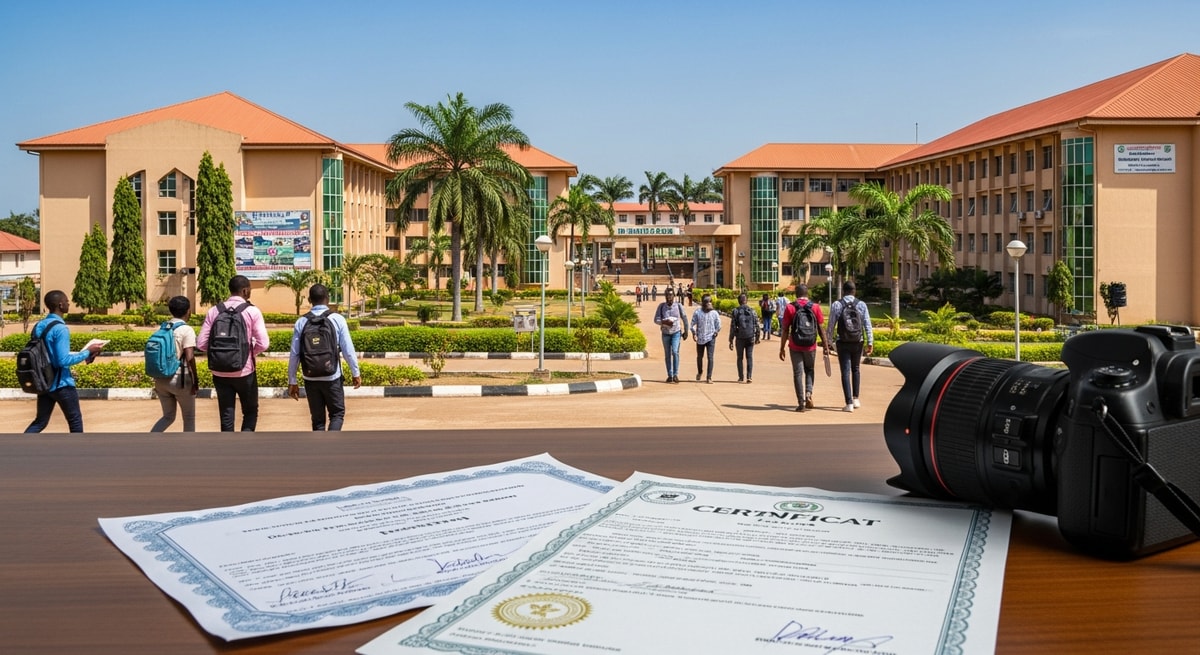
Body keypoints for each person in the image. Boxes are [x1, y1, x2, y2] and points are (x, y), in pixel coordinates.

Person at [23, 290, 105, 433]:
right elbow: (62, 361)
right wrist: (88, 351)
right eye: (67, 301)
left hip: (44, 382)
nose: (68, 303)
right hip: (61, 384)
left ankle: (19, 444)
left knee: (40, 422)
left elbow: (48, 354)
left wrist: (83, 354)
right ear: (60, 305)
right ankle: (77, 448)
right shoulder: (61, 329)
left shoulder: (39, 326)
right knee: (75, 421)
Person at [197, 275, 270, 431]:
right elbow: (263, 343)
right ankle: (245, 442)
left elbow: (201, 344)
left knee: (226, 414)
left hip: (219, 372)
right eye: (249, 289)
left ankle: (227, 444)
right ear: (245, 291)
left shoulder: (214, 311)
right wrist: (248, 353)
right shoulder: (252, 311)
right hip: (245, 371)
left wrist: (220, 354)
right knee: (250, 412)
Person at [287, 284, 362, 431]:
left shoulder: (301, 322)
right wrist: (355, 372)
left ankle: (319, 445)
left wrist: (292, 381)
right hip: (332, 376)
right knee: (337, 414)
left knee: (317, 420)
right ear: (327, 298)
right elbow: (348, 349)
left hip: (310, 378)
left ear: (309, 300)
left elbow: (295, 354)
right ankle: (332, 444)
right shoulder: (337, 319)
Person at [150, 296, 199, 432]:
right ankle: (187, 445)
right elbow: (190, 357)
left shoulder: (163, 327)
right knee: (189, 418)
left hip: (161, 379)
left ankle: (150, 439)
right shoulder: (186, 330)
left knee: (168, 417)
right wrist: (195, 380)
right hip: (180, 380)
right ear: (188, 311)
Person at [779, 284, 827, 412]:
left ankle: (801, 403)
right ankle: (808, 394)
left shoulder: (790, 307)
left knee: (798, 373)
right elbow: (821, 328)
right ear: (807, 294)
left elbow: (785, 330)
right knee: (809, 370)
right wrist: (826, 346)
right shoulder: (815, 307)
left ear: (796, 294)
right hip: (810, 346)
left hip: (795, 345)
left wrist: (782, 348)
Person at [827, 280, 874, 413]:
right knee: (856, 369)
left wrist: (828, 342)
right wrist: (870, 342)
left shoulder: (837, 304)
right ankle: (856, 398)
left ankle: (848, 404)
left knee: (845, 372)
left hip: (842, 342)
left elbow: (831, 325)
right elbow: (867, 324)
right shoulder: (861, 304)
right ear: (854, 291)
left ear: (843, 291)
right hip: (858, 341)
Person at [653, 287, 689, 383]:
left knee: (675, 352)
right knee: (667, 354)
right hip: (665, 333)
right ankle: (670, 375)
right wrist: (664, 322)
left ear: (674, 295)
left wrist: (686, 331)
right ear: (665, 296)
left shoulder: (678, 306)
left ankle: (676, 374)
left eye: (671, 295)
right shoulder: (661, 306)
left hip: (676, 332)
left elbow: (684, 318)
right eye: (668, 295)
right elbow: (656, 319)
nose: (669, 297)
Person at [690, 293, 721, 383]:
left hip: (711, 338)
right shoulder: (697, 312)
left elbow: (718, 324)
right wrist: (694, 333)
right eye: (707, 302)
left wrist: (716, 331)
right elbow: (692, 324)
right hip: (700, 338)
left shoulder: (714, 313)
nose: (709, 304)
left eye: (710, 302)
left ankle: (709, 377)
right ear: (703, 303)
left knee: (710, 357)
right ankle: (700, 371)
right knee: (700, 357)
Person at [728, 293, 760, 383]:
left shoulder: (735, 311)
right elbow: (757, 325)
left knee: (740, 357)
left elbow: (733, 326)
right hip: (750, 337)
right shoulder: (752, 311)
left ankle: (741, 377)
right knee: (749, 357)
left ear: (738, 301)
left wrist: (731, 340)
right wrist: (757, 337)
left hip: (740, 338)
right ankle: (749, 376)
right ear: (747, 300)